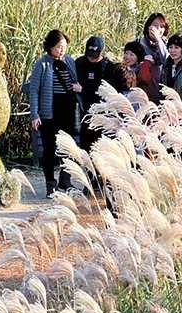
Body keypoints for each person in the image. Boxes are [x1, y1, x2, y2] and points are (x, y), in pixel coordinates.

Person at [26, 29, 82, 193]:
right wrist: (34, 114)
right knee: (49, 149)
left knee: (68, 147)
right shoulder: (42, 64)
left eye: (64, 46)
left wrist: (79, 89)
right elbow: (34, 91)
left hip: (69, 110)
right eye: (58, 47)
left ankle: (65, 180)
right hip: (49, 112)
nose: (61, 50)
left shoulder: (70, 61)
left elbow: (76, 83)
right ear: (50, 47)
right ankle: (50, 184)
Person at [73, 36, 118, 147]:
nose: (92, 58)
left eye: (95, 55)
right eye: (89, 55)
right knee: (86, 143)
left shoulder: (108, 67)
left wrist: (83, 89)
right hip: (84, 110)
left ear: (102, 52)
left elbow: (105, 91)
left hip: (102, 111)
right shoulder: (80, 63)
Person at [162, 34, 182, 112]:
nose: (173, 50)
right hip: (168, 109)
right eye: (170, 47)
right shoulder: (166, 65)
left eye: (176, 47)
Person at [133, 13, 170, 78]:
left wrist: (158, 39)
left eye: (162, 27)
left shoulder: (167, 45)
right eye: (155, 25)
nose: (158, 29)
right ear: (148, 26)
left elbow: (168, 62)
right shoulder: (137, 43)